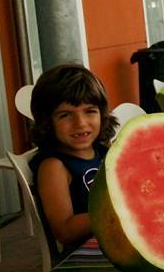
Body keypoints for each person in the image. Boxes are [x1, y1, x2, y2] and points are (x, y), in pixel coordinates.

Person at [29, 64, 118, 257]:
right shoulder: (54, 167)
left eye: (90, 111)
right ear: (47, 122)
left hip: (116, 240)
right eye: (65, 115)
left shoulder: (103, 152)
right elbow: (65, 230)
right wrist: (116, 211)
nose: (80, 123)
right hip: (87, 254)